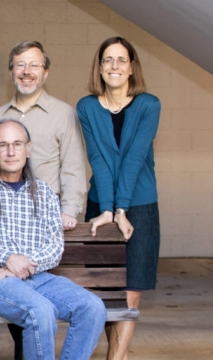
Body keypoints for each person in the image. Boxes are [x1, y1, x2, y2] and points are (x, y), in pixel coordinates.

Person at [0, 119, 106, 360]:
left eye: (17, 144)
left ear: (29, 149)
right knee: (40, 312)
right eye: (3, 145)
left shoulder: (44, 193)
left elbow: (55, 246)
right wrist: (7, 258)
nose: (11, 152)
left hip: (36, 276)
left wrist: (22, 265)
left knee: (93, 308)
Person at [0, 41, 87, 358]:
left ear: (46, 72)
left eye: (34, 65)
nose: (27, 72)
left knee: (43, 312)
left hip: (43, 232)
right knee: (30, 315)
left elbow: (74, 167)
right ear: (11, 72)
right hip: (3, 233)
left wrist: (70, 211)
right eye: (20, 65)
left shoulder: (64, 114)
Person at [77, 36, 160, 360]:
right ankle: (121, 355)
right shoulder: (86, 106)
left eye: (121, 60)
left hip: (139, 204)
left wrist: (122, 209)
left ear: (132, 67)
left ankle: (115, 357)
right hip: (100, 204)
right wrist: (108, 209)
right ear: (99, 67)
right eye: (108, 59)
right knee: (102, 289)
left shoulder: (149, 105)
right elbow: (97, 159)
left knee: (129, 291)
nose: (114, 66)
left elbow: (134, 158)